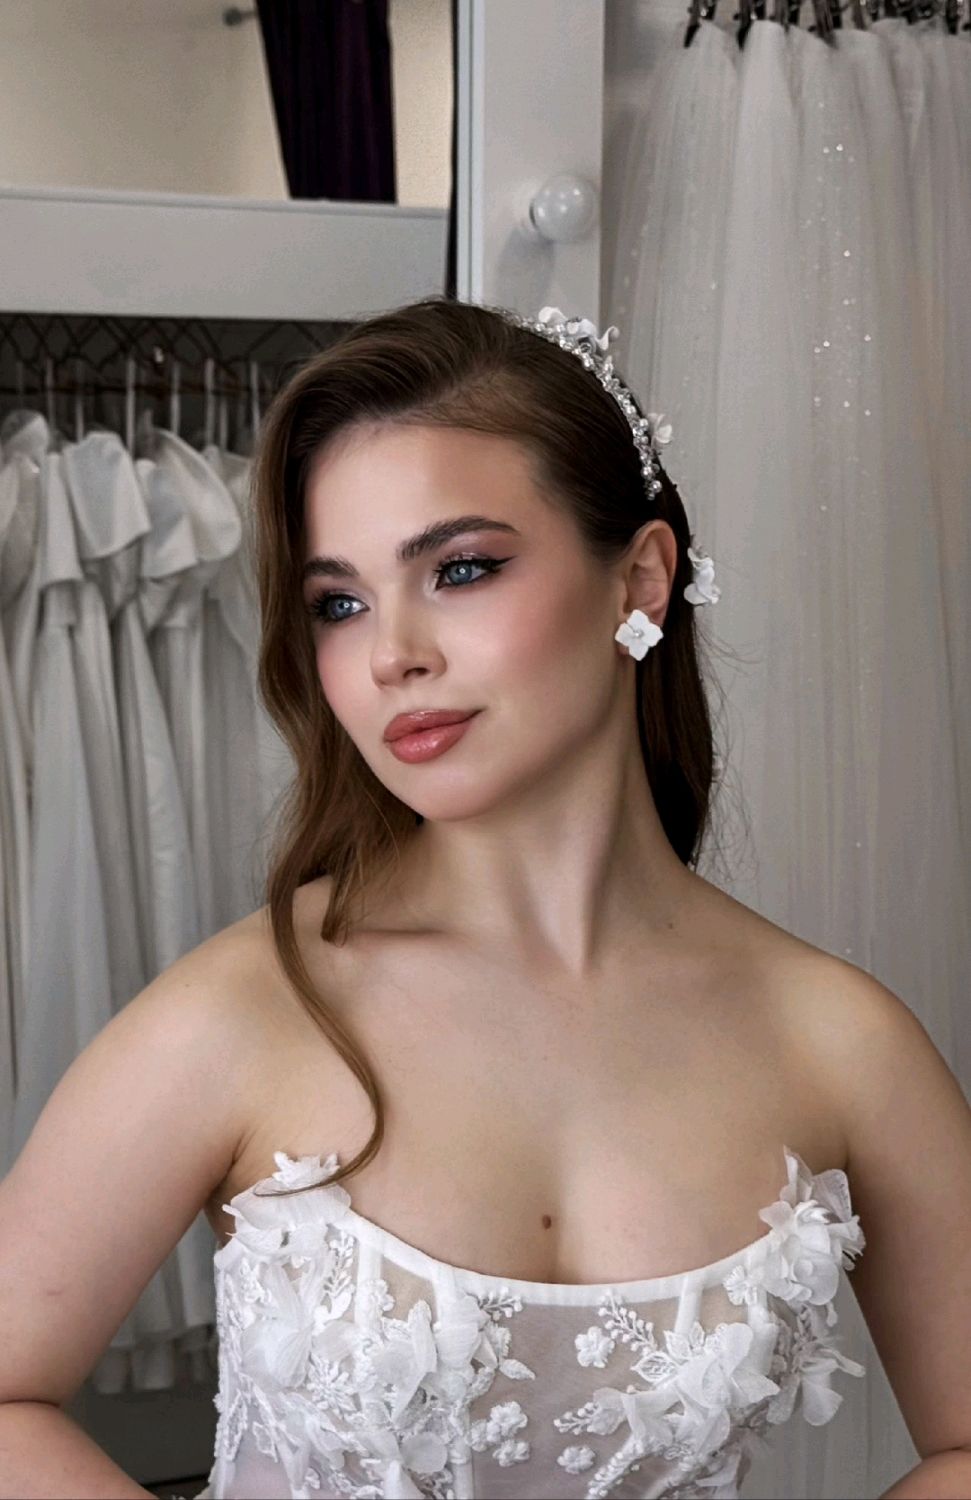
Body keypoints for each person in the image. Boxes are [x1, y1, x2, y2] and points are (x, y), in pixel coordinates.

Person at [1, 296, 969, 1500]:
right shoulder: (245, 1011)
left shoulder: (834, 1039)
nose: (389, 653)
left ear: (640, 580)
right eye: (338, 602)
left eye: (458, 570)